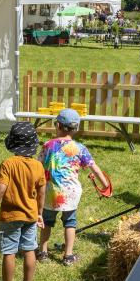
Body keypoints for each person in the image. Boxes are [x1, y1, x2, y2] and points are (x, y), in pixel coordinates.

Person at [36, 109, 109, 266]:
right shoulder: (80, 148)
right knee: (70, 222)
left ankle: (43, 252)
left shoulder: (48, 145)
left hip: (50, 192)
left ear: (58, 125)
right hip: (70, 192)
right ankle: (68, 256)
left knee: (46, 222)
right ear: (76, 129)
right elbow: (93, 167)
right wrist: (105, 184)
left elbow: (37, 166)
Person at [0, 122, 45, 281]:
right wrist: (39, 213)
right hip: (31, 215)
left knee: (9, 251)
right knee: (29, 250)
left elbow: (0, 189)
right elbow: (42, 192)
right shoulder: (38, 166)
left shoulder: (8, 164)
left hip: (10, 216)